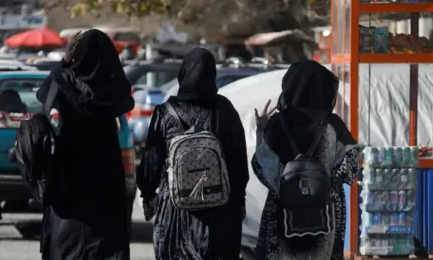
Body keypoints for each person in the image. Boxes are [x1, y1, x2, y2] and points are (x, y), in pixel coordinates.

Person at [137, 47, 249, 260]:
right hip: (220, 211)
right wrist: (239, 200)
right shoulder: (225, 110)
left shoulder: (165, 113)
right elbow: (238, 162)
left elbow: (151, 163)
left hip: (176, 210)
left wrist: (148, 195)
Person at [36, 29, 134, 260]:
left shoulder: (66, 84)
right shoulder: (114, 91)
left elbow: (44, 94)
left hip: (68, 179)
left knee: (66, 246)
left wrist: (65, 61)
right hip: (105, 180)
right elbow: (125, 98)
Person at [252, 60, 360, 260]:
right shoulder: (333, 125)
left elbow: (261, 168)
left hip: (283, 218)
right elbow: (351, 171)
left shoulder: (277, 123)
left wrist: (261, 130)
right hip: (324, 218)